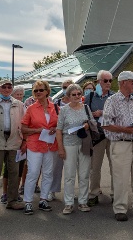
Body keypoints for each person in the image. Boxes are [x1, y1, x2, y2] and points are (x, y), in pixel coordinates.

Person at [101, 71, 133, 221]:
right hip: (120, 143)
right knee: (120, 178)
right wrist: (125, 129)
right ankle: (120, 209)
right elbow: (105, 124)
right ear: (123, 83)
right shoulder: (112, 100)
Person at [0, 80, 25, 214]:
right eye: (4, 86)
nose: (7, 89)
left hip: (14, 141)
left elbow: (24, 122)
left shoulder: (19, 104)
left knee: (14, 172)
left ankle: (12, 200)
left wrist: (23, 139)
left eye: (9, 87)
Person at [20, 80, 58, 215]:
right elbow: (23, 127)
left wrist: (54, 128)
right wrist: (36, 130)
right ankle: (28, 202)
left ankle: (43, 199)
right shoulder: (31, 109)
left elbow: (58, 124)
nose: (38, 93)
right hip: (35, 144)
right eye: (35, 91)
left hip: (50, 144)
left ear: (47, 91)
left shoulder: (55, 107)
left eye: (40, 90)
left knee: (48, 173)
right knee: (33, 172)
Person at [56, 84, 96, 214]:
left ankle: (83, 201)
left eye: (79, 94)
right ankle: (68, 203)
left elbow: (93, 123)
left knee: (84, 174)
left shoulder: (86, 107)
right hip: (69, 144)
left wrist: (87, 125)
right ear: (68, 96)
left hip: (84, 143)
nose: (77, 96)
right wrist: (60, 148)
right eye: (74, 94)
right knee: (69, 174)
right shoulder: (64, 110)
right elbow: (59, 129)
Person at [86, 70, 115, 207]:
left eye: (110, 80)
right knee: (95, 167)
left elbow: (118, 113)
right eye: (105, 80)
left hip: (112, 135)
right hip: (97, 135)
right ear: (99, 81)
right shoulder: (91, 96)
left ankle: (116, 193)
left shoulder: (114, 96)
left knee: (114, 166)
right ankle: (94, 193)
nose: (108, 83)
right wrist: (92, 115)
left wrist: (102, 112)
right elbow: (83, 112)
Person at [47, 79, 74, 203]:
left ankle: (70, 192)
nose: (66, 89)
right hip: (58, 138)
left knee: (71, 168)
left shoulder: (79, 102)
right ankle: (52, 190)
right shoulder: (56, 103)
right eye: (64, 87)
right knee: (55, 166)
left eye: (69, 87)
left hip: (73, 138)